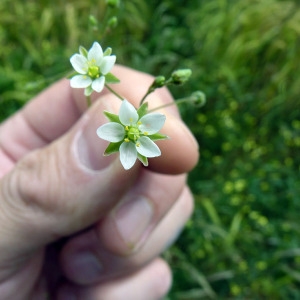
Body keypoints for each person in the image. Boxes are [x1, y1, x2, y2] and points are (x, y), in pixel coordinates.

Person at [0, 65, 199, 299]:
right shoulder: (118, 123)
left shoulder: (132, 132)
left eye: (134, 133)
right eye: (131, 132)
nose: (133, 134)